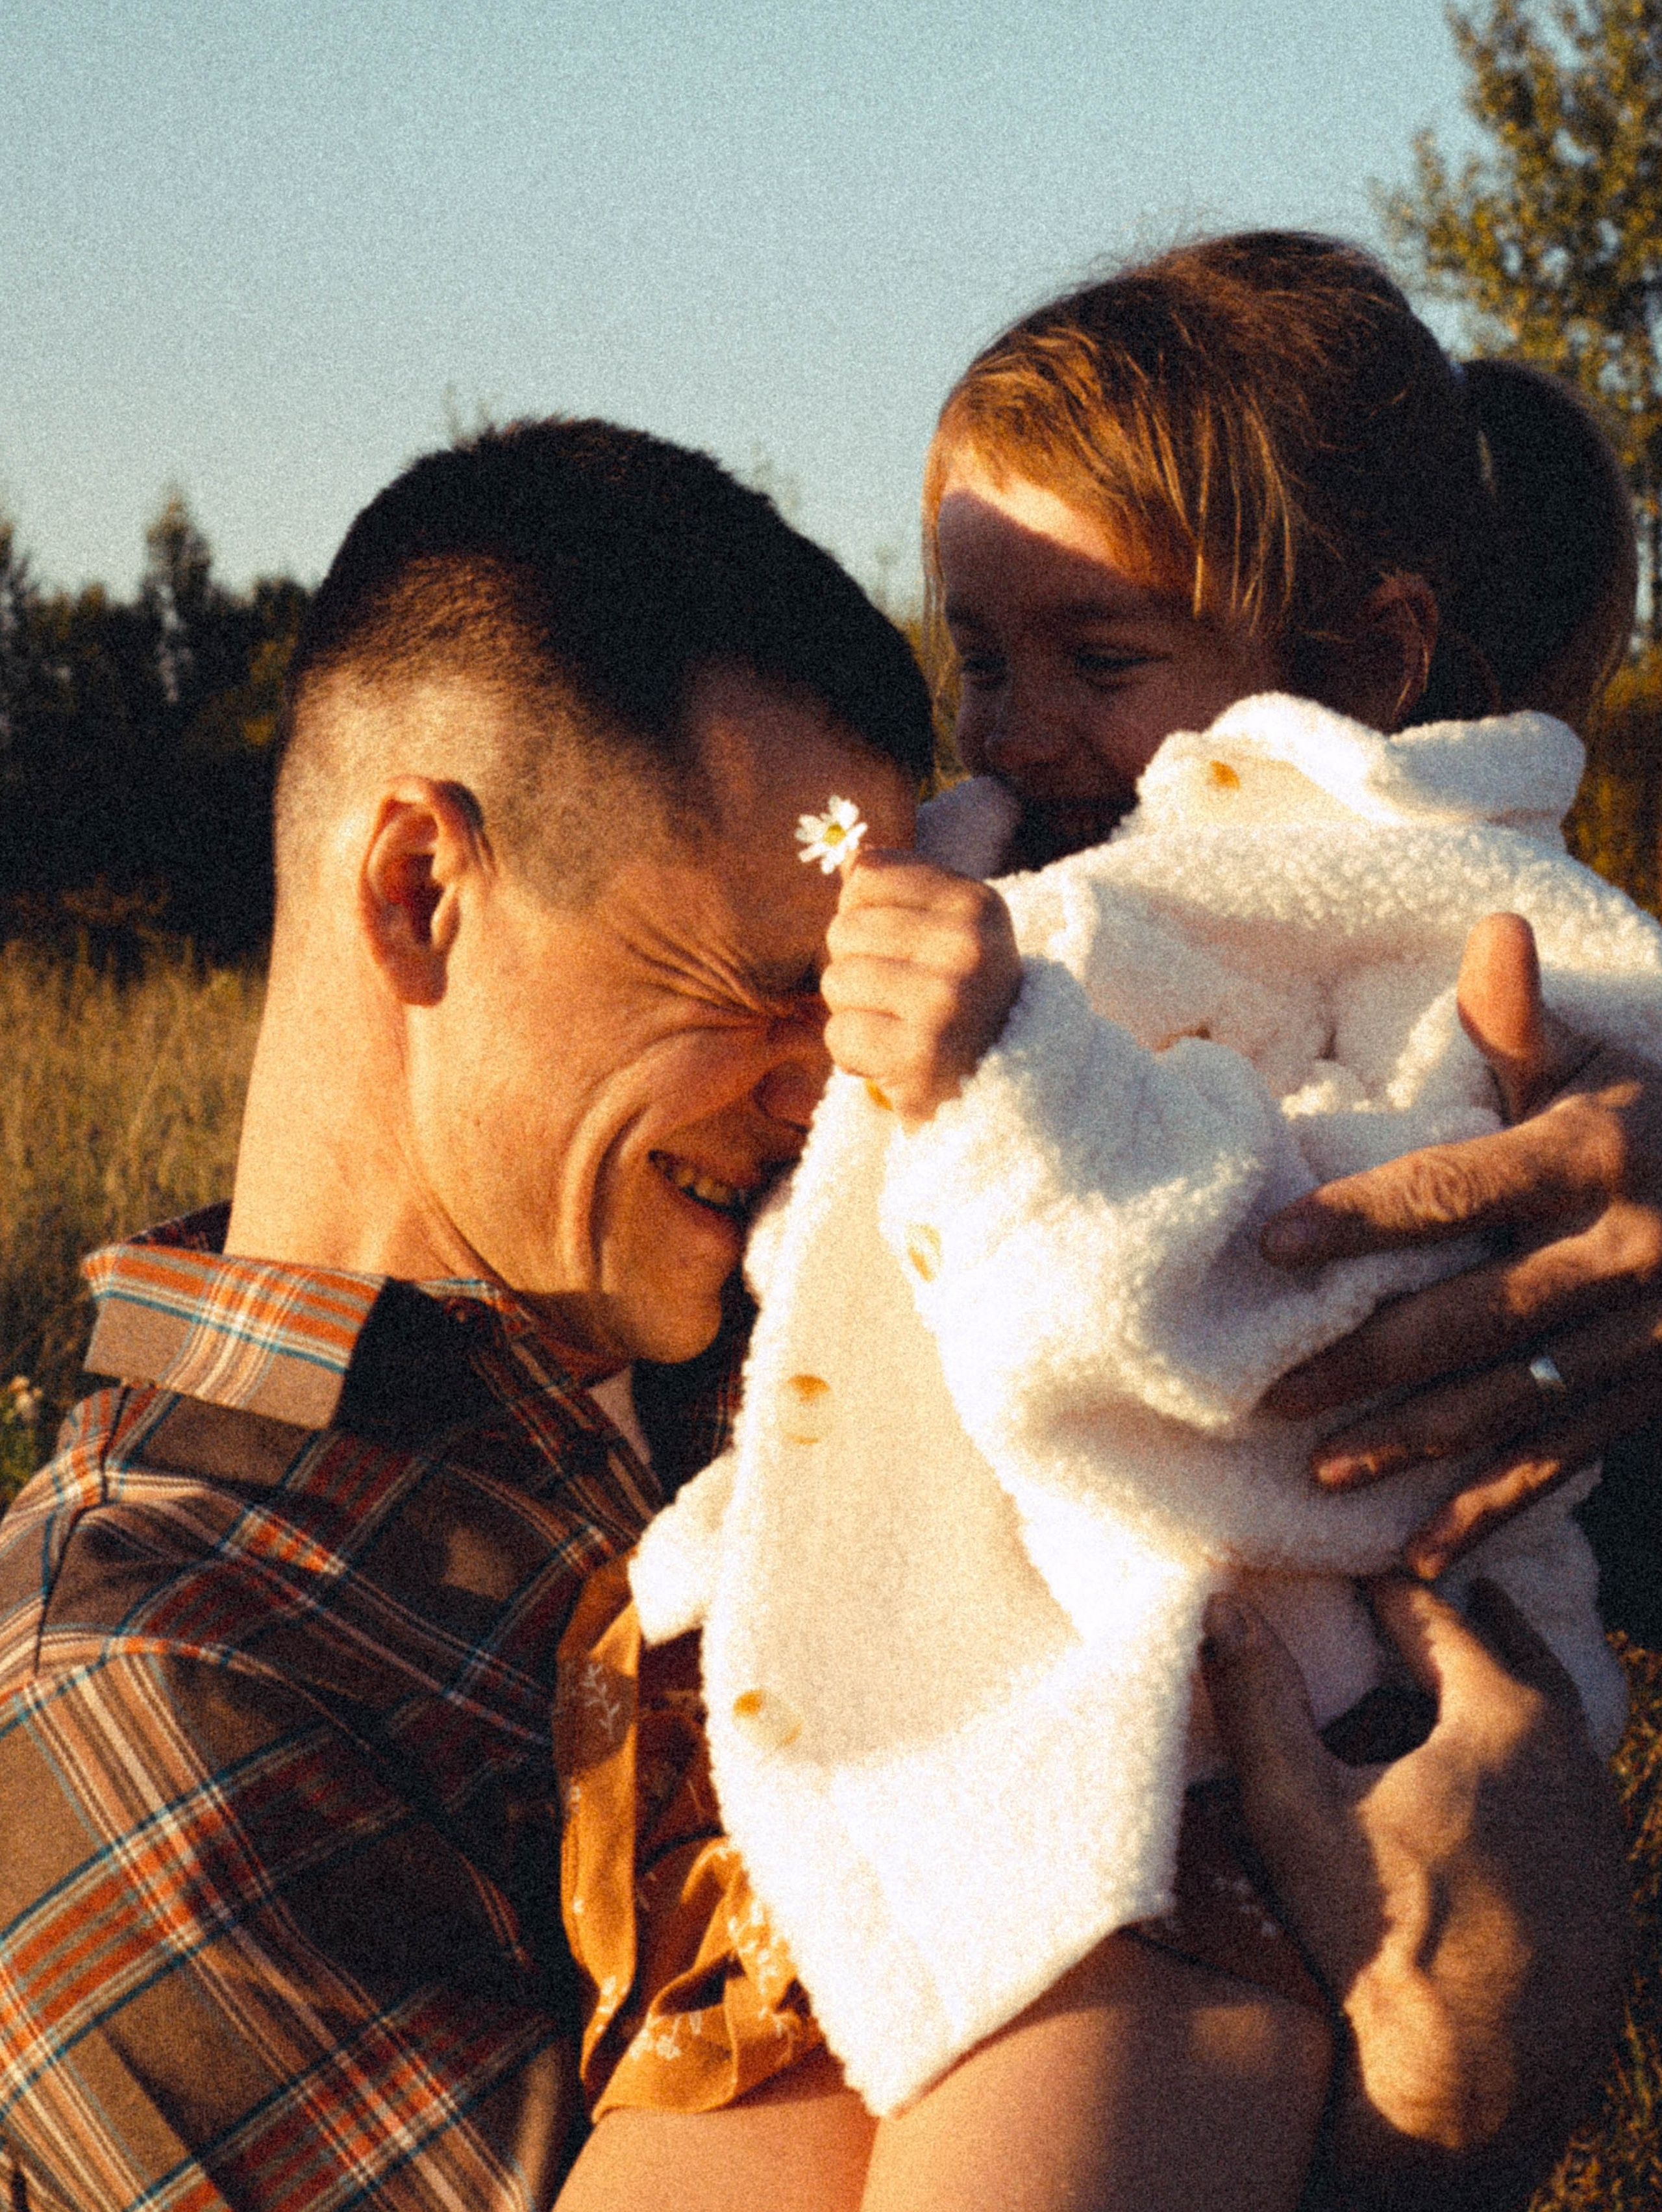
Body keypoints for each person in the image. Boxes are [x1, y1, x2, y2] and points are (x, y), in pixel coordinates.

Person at [0, 414, 1630, 2212]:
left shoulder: (835, 1306)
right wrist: (1452, 2104)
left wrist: (1578, 1187)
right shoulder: (146, 1684)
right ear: (420, 890)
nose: (839, 1090)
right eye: (771, 990)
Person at [558, 238, 1652, 2207]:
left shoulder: (1421, 915)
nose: (1017, 725)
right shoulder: (1018, 883)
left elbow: (1328, 1321)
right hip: (853, 1761)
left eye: (1101, 658)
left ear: (1368, 661)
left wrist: (1008, 1075)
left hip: (1187, 1789)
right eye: (980, 654)